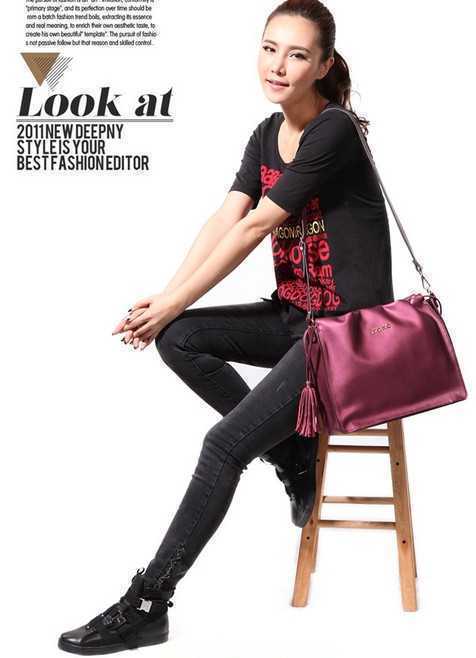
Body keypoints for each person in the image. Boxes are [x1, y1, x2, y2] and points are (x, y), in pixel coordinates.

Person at [58, 0, 394, 653]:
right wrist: (167, 301)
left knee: (223, 446)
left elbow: (256, 226)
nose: (278, 65)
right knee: (179, 335)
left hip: (349, 337)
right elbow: (226, 217)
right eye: (270, 48)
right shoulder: (266, 133)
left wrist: (174, 298)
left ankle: (148, 602)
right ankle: (292, 452)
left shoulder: (334, 130)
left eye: (297, 54)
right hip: (297, 320)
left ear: (324, 65)